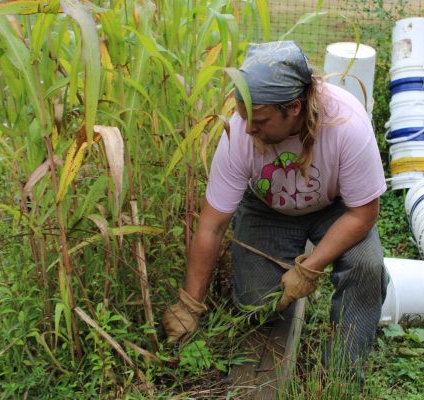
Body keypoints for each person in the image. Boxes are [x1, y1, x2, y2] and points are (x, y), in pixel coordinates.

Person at [162, 40, 388, 371]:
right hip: (268, 208)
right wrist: (189, 304)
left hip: (336, 209)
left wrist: (311, 266)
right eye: (243, 116)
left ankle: (342, 372)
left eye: (261, 120)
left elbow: (364, 212)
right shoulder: (239, 132)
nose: (249, 129)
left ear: (293, 108)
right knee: (257, 306)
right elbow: (213, 225)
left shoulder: (346, 124)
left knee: (366, 266)